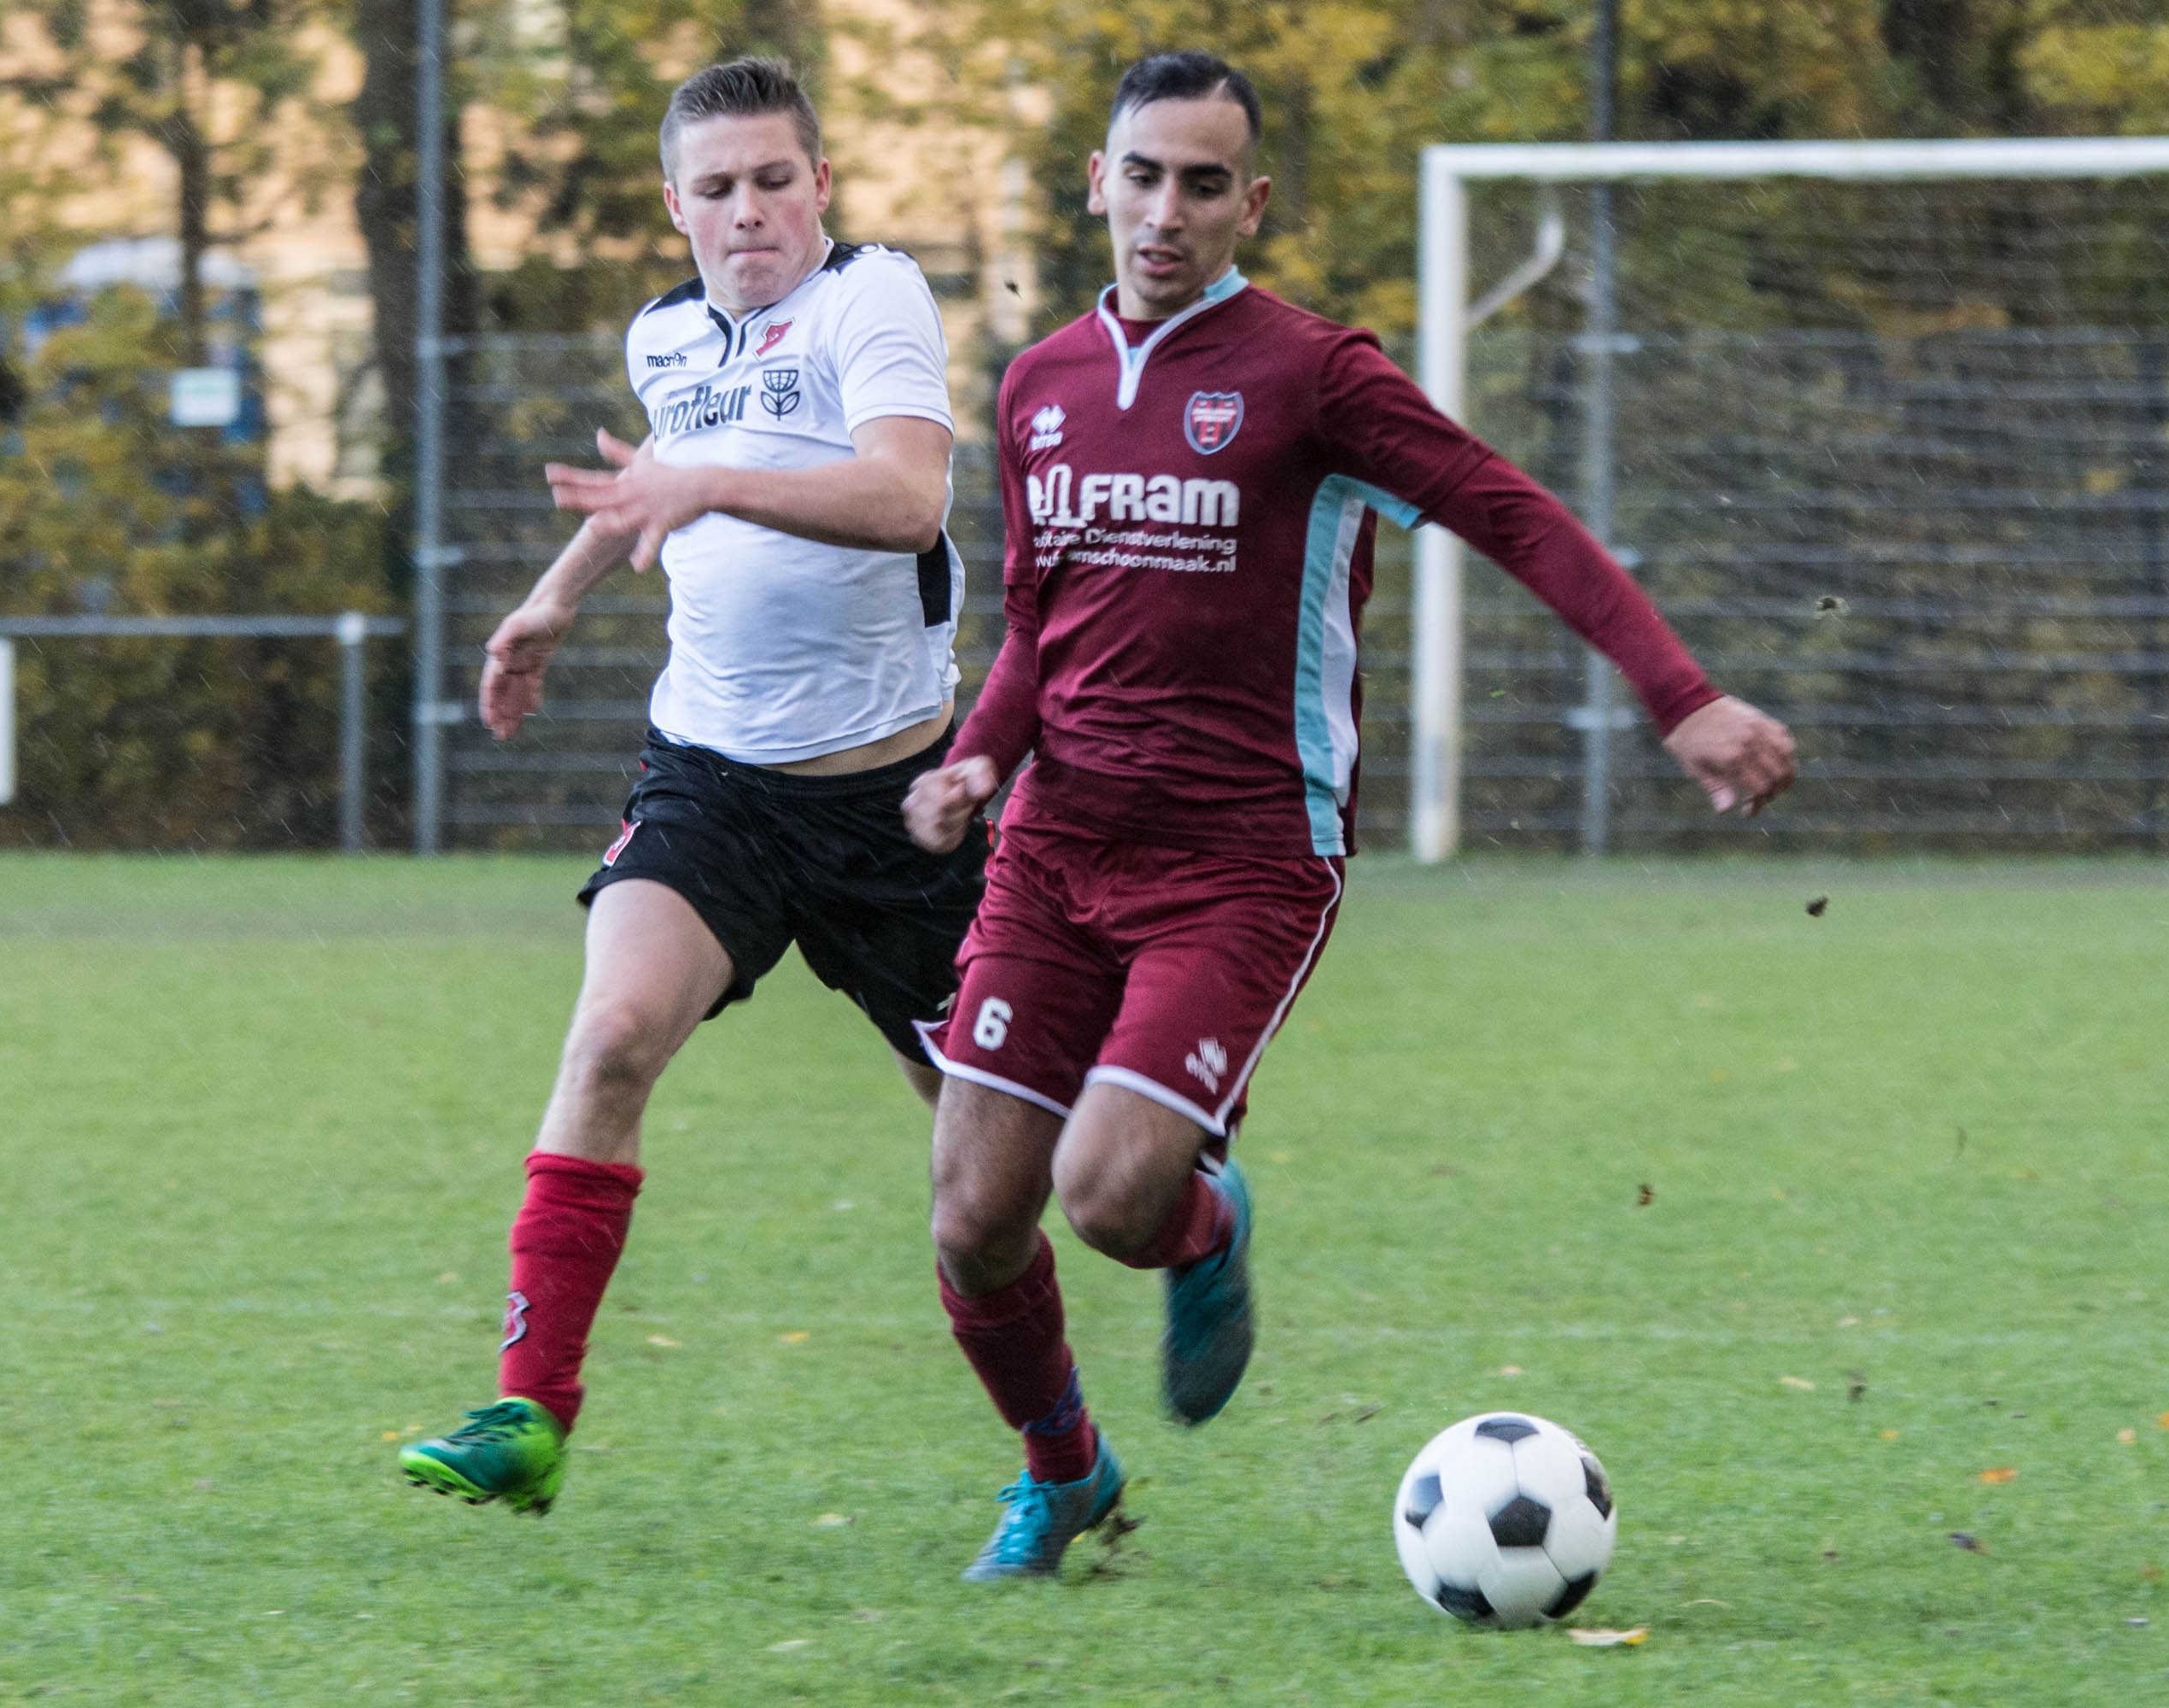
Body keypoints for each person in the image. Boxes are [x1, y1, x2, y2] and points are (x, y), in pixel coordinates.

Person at [899, 50, 1798, 1580]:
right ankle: (1063, 1476)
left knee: (1109, 1196)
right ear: (1096, 184)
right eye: (1142, 174)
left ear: (1252, 201)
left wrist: (1679, 693)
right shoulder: (1039, 383)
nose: (1166, 210)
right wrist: (980, 755)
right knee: (973, 1221)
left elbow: (1507, 508)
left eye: (1202, 182)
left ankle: (1204, 1227)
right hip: (1053, 848)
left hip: (1244, 863)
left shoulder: (1311, 373)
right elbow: (1042, 624)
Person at [400, 56, 979, 1516]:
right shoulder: (668, 335)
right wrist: (552, 601)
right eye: (715, 190)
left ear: (822, 186)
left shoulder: (873, 299)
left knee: (993, 1157)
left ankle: (1149, 1282)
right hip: (714, 785)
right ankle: (529, 1414)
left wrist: (709, 485)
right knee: (609, 1037)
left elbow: (907, 495)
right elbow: (670, 461)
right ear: (677, 206)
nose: (748, 213)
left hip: (898, 806)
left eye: (775, 180)